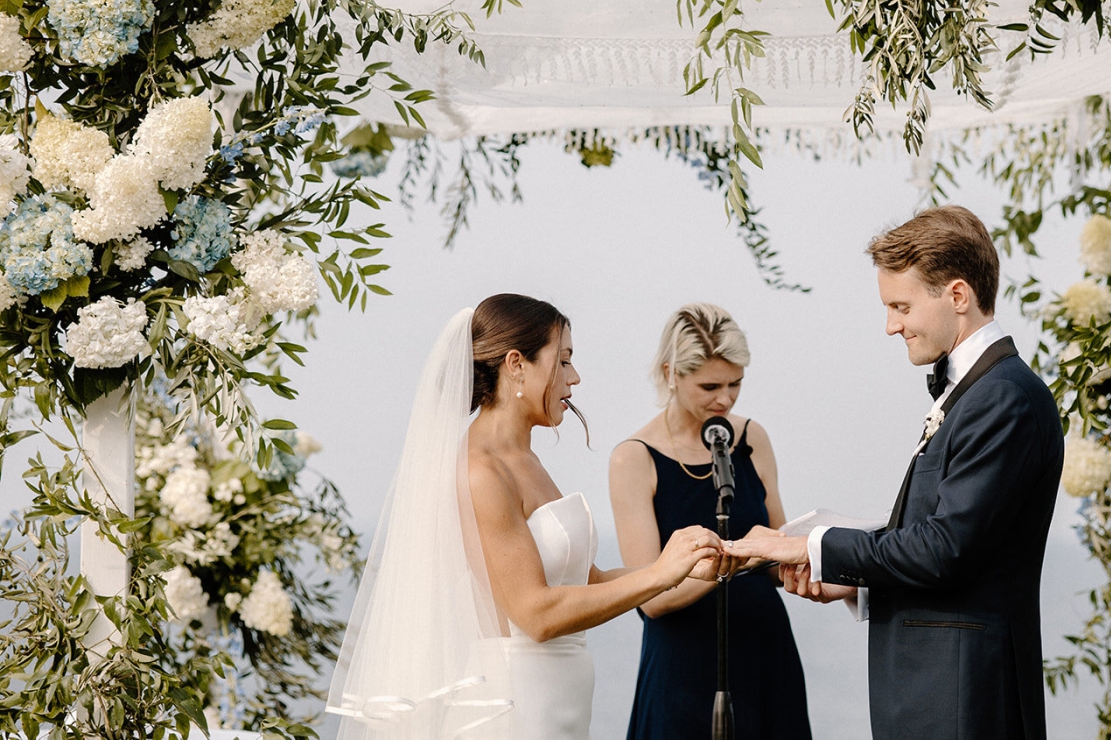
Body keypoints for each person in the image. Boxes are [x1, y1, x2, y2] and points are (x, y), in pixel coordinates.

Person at [725, 206, 1064, 740]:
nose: (891, 325)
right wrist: (851, 584)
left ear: (957, 296)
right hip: (939, 697)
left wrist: (812, 546)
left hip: (962, 702)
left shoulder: (1004, 399)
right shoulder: (978, 392)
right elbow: (950, 547)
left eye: (900, 306)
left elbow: (942, 548)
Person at [327, 295, 724, 740]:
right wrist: (660, 576)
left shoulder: (525, 459)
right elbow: (535, 613)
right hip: (516, 706)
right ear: (517, 364)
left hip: (562, 700)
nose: (575, 378)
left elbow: (586, 581)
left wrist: (701, 565)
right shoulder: (481, 470)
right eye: (565, 361)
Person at [610, 303, 812, 740]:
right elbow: (651, 597)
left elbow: (776, 557)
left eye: (735, 383)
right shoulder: (633, 458)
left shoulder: (751, 437)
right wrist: (739, 557)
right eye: (709, 386)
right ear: (671, 373)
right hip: (684, 665)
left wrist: (814, 553)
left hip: (764, 653)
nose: (725, 399)